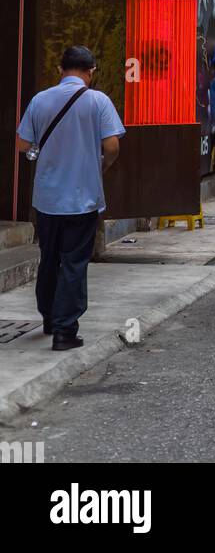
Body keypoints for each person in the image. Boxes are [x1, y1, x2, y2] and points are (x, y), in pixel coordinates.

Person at [16, 47, 124, 351]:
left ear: (60, 69)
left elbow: (22, 143)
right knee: (74, 261)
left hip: (47, 198)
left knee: (49, 257)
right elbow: (112, 146)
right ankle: (65, 330)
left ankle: (49, 317)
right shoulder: (98, 101)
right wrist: (101, 165)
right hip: (83, 197)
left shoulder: (40, 100)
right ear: (91, 71)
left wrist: (41, 152)